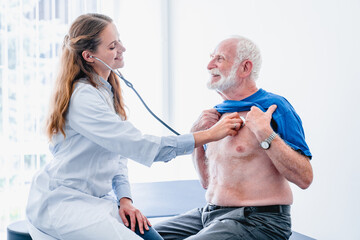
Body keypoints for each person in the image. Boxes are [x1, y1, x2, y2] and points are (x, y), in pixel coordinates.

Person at [25, 14, 243, 240]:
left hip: (96, 201)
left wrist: (125, 199)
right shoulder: (84, 97)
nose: (123, 48)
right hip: (64, 205)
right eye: (112, 46)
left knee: (151, 236)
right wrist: (207, 135)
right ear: (89, 56)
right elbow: (137, 145)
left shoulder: (105, 91)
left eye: (118, 40)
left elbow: (118, 153)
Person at [154, 36, 313, 240]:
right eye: (211, 58)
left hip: (260, 221)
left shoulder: (274, 108)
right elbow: (205, 182)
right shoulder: (216, 116)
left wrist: (266, 134)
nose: (209, 65)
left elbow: (305, 178)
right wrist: (197, 137)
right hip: (210, 213)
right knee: (137, 234)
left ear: (245, 68)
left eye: (219, 59)